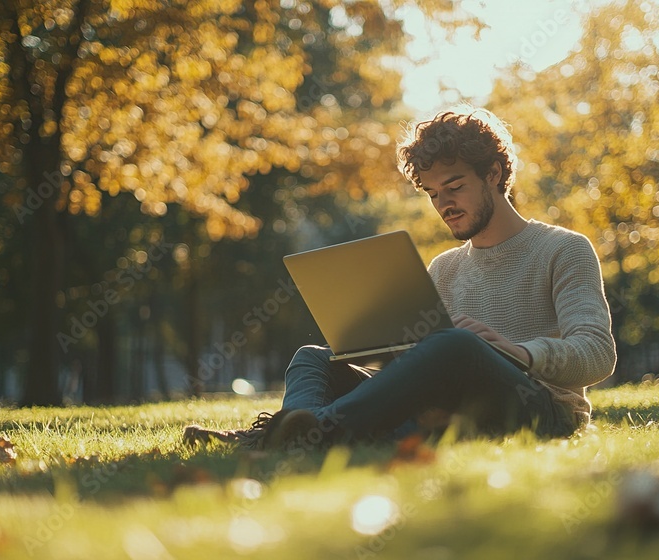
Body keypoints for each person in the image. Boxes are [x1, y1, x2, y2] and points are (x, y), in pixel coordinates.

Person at [184, 106, 616, 450]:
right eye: (432, 193)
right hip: (455, 408)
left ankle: (292, 434)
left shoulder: (564, 248)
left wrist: (517, 352)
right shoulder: (445, 267)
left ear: (494, 174)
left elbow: (597, 354)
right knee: (314, 357)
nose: (444, 204)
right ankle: (301, 433)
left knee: (457, 343)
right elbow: (419, 363)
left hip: (541, 410)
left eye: (454, 186)